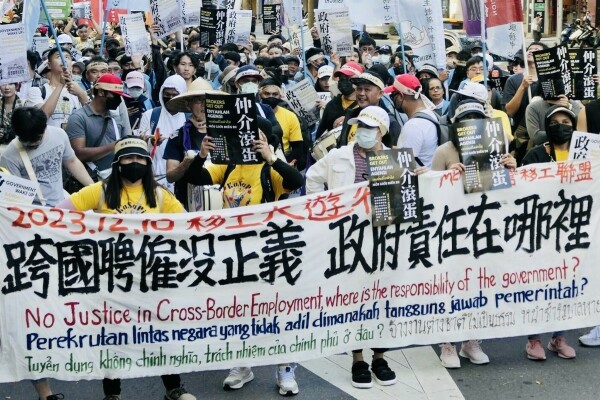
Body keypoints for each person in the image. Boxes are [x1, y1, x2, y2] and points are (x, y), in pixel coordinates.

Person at [55, 136, 196, 400]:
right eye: (128, 159)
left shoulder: (160, 195)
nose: (134, 163)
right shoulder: (98, 191)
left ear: (147, 162)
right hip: (111, 280)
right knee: (113, 339)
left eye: (139, 159)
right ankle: (112, 394)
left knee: (159, 335)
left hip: (151, 278)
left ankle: (174, 388)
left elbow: (187, 226)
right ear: (118, 164)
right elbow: (58, 215)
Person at [184, 118, 304, 396]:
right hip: (233, 252)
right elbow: (196, 178)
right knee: (239, 310)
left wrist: (272, 158)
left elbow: (295, 182)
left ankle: (285, 368)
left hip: (268, 250)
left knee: (277, 311)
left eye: (256, 136)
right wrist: (202, 155)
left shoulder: (270, 167)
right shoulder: (228, 165)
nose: (249, 140)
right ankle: (242, 364)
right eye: (245, 135)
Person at [306, 106, 398, 389]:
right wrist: (323, 213)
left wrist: (417, 173)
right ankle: (358, 357)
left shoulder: (394, 158)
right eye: (361, 126)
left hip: (383, 236)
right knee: (353, 298)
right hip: (346, 236)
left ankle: (380, 357)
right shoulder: (338, 155)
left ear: (382, 131)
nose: (364, 132)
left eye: (370, 128)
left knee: (384, 297)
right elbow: (312, 179)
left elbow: (411, 191)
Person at [521, 105, 579, 360]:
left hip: (573, 230)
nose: (560, 125)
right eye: (554, 122)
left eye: (566, 120)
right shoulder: (535, 155)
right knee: (538, 284)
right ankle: (534, 340)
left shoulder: (585, 154)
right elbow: (522, 189)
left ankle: (559, 337)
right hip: (540, 230)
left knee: (565, 286)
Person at [0, 106, 93, 206]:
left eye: (38, 140)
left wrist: (94, 188)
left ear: (45, 127)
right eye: (27, 142)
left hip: (61, 204)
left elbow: (72, 161)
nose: (33, 144)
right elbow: (13, 196)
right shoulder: (9, 156)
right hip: (33, 213)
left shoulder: (59, 135)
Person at [163, 77, 221, 209]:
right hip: (187, 203)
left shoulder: (224, 132)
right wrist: (186, 163)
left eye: (208, 100)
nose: (204, 105)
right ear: (188, 104)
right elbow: (170, 176)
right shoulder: (178, 136)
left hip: (221, 202)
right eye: (199, 100)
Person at [65, 74, 129, 190]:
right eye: (115, 95)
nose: (118, 100)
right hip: (87, 184)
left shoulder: (115, 118)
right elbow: (78, 154)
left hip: (113, 182)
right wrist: (113, 146)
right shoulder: (79, 118)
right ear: (100, 92)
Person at [138, 75, 188, 191]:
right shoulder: (150, 115)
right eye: (167, 94)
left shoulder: (189, 119)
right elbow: (140, 145)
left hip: (180, 179)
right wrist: (150, 141)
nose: (170, 98)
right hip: (154, 179)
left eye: (174, 95)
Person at [387, 74, 439, 167]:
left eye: (393, 96)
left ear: (401, 96)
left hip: (420, 180)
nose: (393, 100)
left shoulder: (413, 126)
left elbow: (403, 165)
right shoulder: (431, 113)